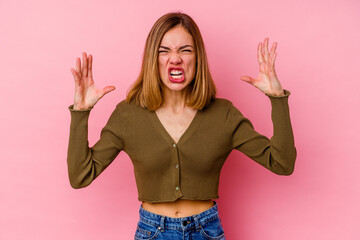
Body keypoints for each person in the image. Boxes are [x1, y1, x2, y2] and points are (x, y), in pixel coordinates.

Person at [67, 12, 296, 240]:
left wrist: (277, 98)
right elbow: (80, 176)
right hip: (152, 231)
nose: (174, 58)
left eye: (185, 50)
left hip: (206, 231)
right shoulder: (128, 115)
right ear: (152, 59)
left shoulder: (223, 114)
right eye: (164, 51)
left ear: (197, 58)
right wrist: (81, 113)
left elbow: (282, 163)